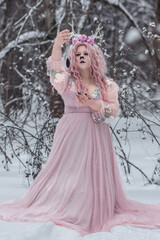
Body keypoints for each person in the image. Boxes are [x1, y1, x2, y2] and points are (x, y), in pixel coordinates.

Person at [0, 27, 160, 237]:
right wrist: (57, 45)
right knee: (68, 170)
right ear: (73, 58)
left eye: (86, 53)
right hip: (71, 131)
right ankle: (68, 205)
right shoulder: (67, 81)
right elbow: (55, 70)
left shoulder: (106, 84)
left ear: (94, 57)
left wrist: (95, 105)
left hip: (96, 132)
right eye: (78, 53)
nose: (82, 56)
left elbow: (113, 112)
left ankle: (93, 206)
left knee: (93, 170)